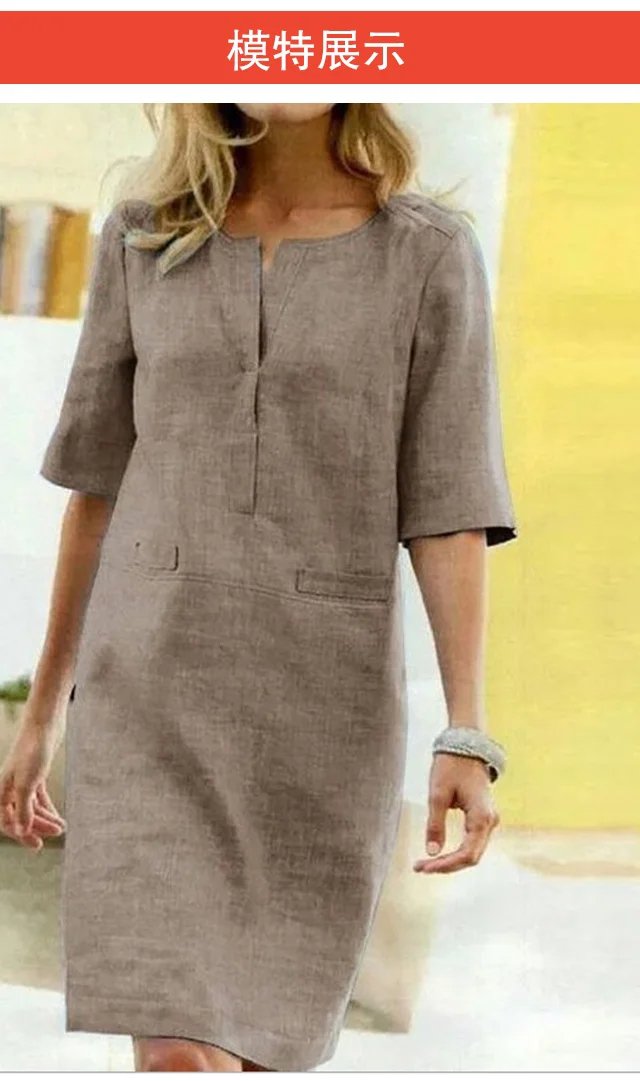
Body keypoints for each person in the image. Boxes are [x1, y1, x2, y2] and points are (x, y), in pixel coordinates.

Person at [0, 103, 517, 1072]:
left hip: (321, 709)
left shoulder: (428, 254)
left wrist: (465, 728)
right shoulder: (144, 236)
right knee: (177, 1048)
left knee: (251, 1044)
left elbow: (449, 505)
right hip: (147, 691)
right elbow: (95, 490)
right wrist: (43, 713)